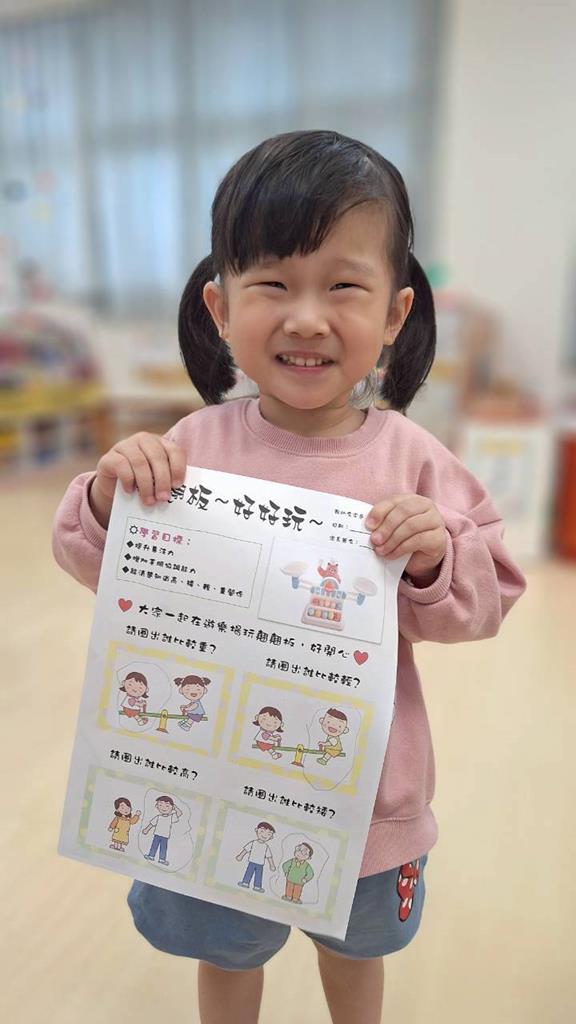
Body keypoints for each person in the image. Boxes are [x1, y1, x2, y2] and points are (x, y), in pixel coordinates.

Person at [52, 129, 526, 1024]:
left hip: (366, 799)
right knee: (227, 953)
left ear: (395, 313)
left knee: (354, 952)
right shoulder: (189, 446)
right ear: (220, 307)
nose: (307, 318)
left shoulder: (413, 457)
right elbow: (91, 562)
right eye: (273, 284)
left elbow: (489, 595)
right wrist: (112, 497)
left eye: (343, 286)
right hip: (206, 784)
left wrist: (435, 554)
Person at [142, 795, 182, 866]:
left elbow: (179, 813)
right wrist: (146, 829)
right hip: (157, 835)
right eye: (160, 805)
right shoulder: (158, 817)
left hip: (165, 836)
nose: (164, 808)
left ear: (172, 807)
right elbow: (152, 824)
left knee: (163, 848)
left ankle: (162, 859)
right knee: (154, 846)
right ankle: (151, 856)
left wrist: (176, 808)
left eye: (167, 806)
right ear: (156, 806)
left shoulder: (171, 817)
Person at [236, 822, 277, 892]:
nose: (264, 835)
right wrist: (240, 856)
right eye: (262, 831)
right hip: (251, 862)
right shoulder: (253, 843)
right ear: (256, 830)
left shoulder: (266, 847)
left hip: (260, 864)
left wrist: (272, 865)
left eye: (269, 834)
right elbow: (246, 850)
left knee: (259, 875)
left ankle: (257, 886)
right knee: (248, 872)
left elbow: (269, 857)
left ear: (271, 837)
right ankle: (245, 883)